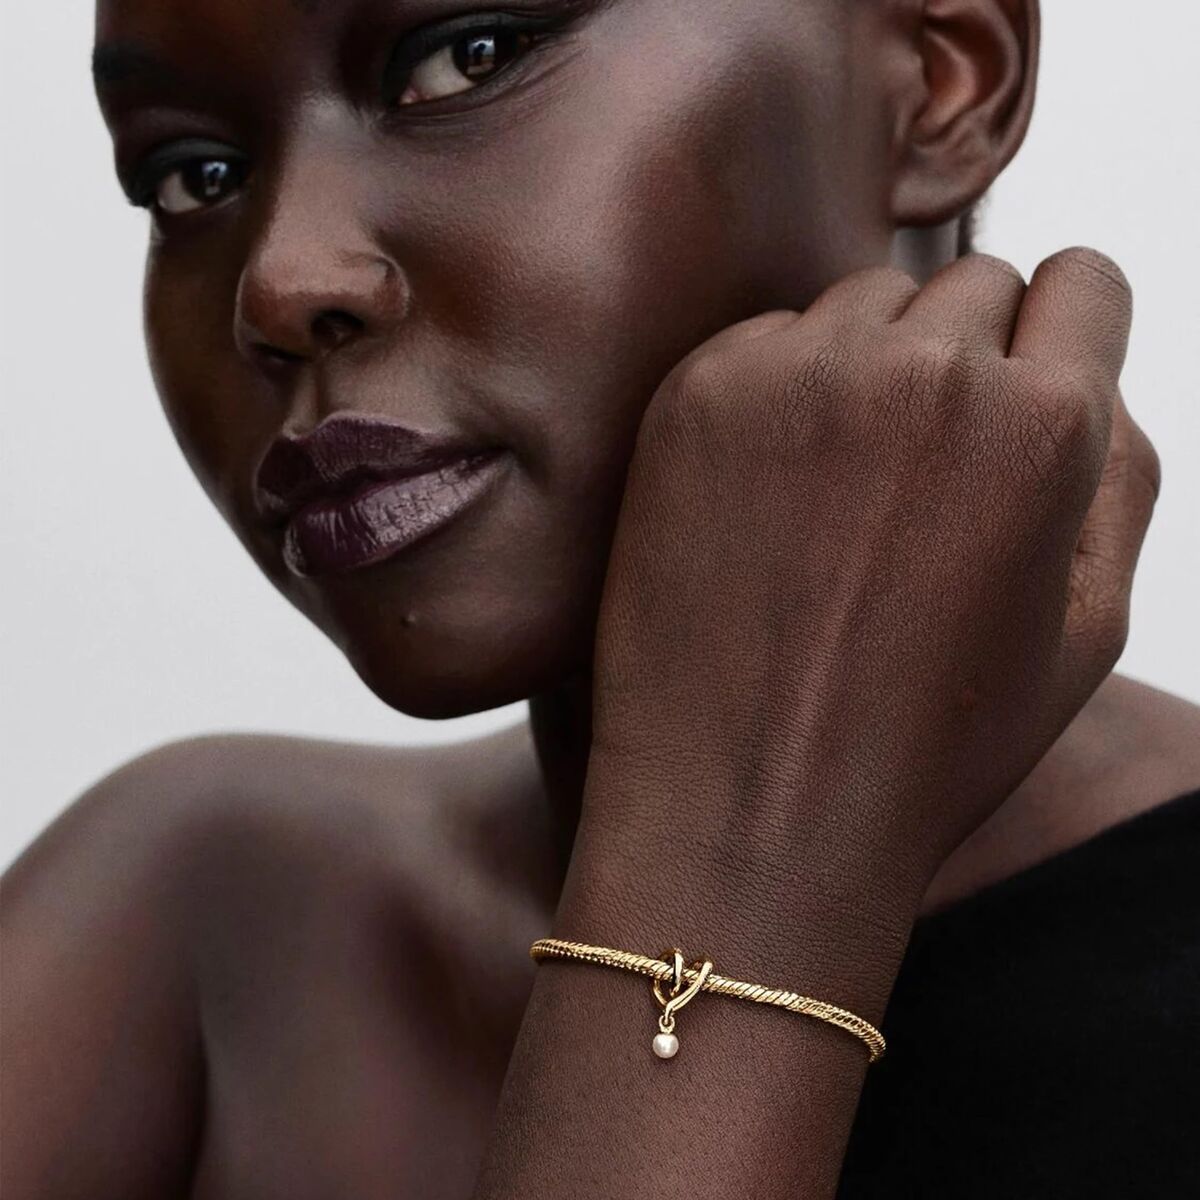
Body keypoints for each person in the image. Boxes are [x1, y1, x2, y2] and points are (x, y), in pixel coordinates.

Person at [3, 0, 1198, 1195]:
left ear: (943, 75)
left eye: (467, 59)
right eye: (193, 175)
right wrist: (729, 874)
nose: (278, 283)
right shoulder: (198, 935)